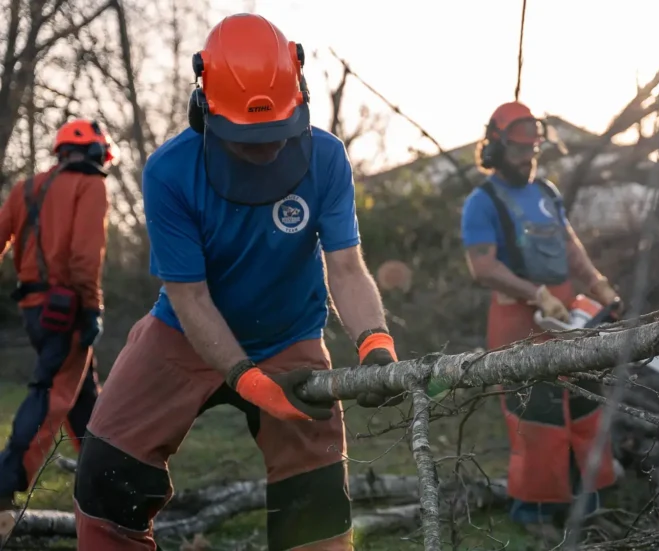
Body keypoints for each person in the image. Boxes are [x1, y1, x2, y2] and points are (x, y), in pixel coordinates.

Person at [71, 14, 401, 551]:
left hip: (288, 336)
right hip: (181, 334)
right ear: (206, 110)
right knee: (107, 471)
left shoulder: (327, 158)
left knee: (314, 498)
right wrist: (249, 382)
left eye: (276, 134)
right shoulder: (170, 172)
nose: (266, 149)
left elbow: (344, 264)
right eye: (248, 140)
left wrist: (375, 343)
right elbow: (189, 295)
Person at [459, 101, 622, 538]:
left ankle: (589, 501)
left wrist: (598, 284)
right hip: (517, 316)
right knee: (537, 413)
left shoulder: (547, 193)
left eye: (531, 151)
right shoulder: (482, 201)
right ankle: (533, 511)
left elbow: (570, 247)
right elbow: (483, 267)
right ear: (495, 147)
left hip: (567, 311)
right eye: (517, 151)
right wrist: (535, 294)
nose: (526, 159)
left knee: (587, 402)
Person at [0, 119, 111, 511]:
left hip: (34, 310)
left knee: (84, 398)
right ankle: (6, 481)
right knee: (52, 394)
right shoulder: (91, 185)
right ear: (96, 151)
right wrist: (92, 307)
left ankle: (109, 476)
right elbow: (84, 256)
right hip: (68, 311)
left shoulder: (25, 189)